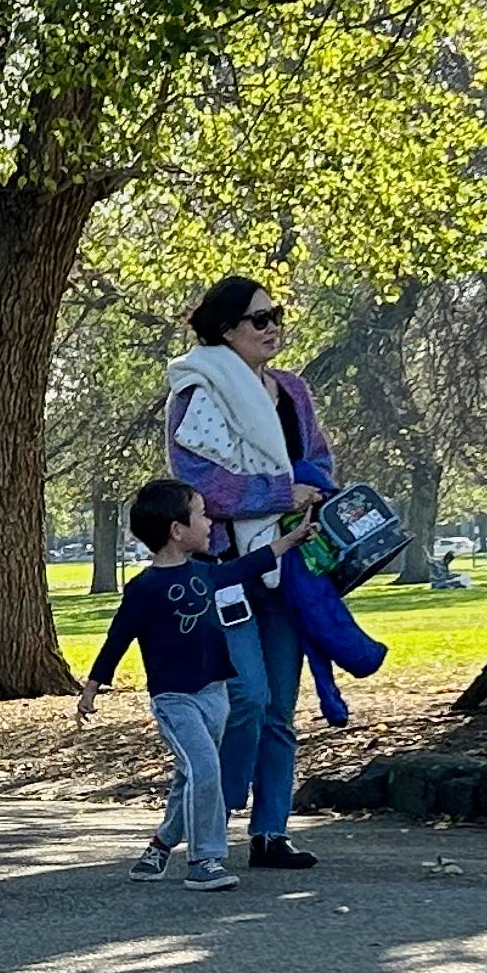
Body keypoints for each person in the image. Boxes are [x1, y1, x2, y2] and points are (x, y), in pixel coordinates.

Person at [164, 276, 330, 870]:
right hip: (228, 568)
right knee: (248, 698)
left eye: (275, 315)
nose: (271, 327)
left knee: (282, 705)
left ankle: (271, 833)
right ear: (225, 330)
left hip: (291, 564)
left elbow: (319, 461)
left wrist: (311, 497)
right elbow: (203, 487)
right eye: (259, 319)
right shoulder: (197, 390)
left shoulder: (293, 392)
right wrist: (281, 491)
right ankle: (216, 803)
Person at [75, 479, 286, 893]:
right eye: (202, 515)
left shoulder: (207, 574)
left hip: (214, 694)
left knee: (191, 776)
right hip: (174, 700)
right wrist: (92, 687)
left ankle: (159, 845)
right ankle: (204, 859)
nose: (209, 523)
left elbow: (245, 566)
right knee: (205, 768)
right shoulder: (143, 589)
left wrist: (291, 539)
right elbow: (117, 639)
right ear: (177, 530)